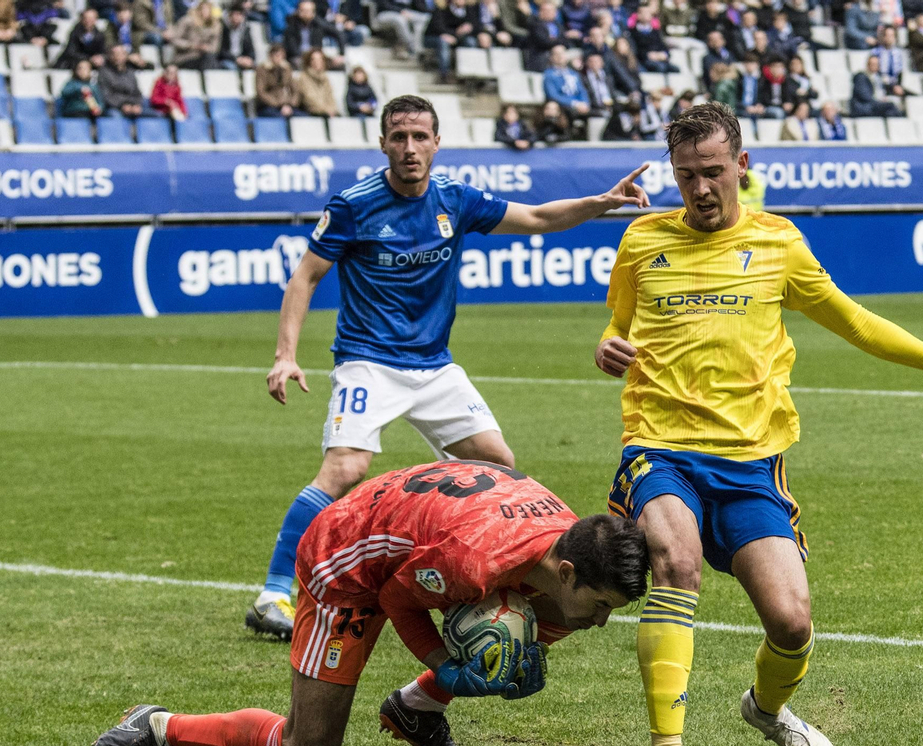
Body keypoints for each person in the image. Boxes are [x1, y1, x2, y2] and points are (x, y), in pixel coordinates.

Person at [595, 103, 923, 746]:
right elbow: (618, 325)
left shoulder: (780, 245)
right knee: (677, 562)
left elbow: (854, 319)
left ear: (742, 167)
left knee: (791, 622)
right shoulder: (641, 242)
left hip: (751, 459)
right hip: (660, 447)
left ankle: (764, 710)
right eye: (686, 176)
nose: (700, 190)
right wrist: (607, 346)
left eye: (713, 173)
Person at [245, 96, 651, 639]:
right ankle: (273, 592)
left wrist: (602, 202)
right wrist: (284, 356)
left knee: (497, 465)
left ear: (437, 142)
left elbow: (533, 217)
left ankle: (478, 576)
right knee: (345, 469)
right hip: (368, 362)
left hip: (434, 367)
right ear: (383, 143)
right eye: (398, 138)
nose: (409, 148)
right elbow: (305, 277)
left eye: (419, 137)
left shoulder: (454, 201)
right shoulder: (354, 205)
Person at [91, 461, 650, 746]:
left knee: (534, 628)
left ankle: (414, 710)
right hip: (348, 560)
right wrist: (448, 668)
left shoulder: (571, 541)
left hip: (424, 533)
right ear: (569, 569)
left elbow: (551, 603)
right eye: (602, 604)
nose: (603, 622)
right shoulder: (472, 563)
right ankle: (159, 726)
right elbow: (395, 599)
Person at [282, 0, 344, 70]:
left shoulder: (319, 24)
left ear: (313, 12)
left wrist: (341, 54)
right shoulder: (292, 24)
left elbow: (339, 34)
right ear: (298, 11)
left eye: (308, 11)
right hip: (297, 57)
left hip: (316, 56)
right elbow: (291, 46)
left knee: (339, 65)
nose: (305, 13)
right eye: (303, 10)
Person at [167, 0, 222, 70]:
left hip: (203, 56)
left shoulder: (215, 26)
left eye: (207, 9)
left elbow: (215, 47)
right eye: (203, 9)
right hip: (185, 57)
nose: (204, 11)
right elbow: (174, 40)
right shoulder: (187, 21)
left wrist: (206, 48)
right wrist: (192, 45)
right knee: (209, 62)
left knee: (215, 62)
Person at [98, 44, 146, 116]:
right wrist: (122, 105)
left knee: (155, 115)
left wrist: (136, 105)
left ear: (126, 56)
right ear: (110, 56)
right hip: (114, 108)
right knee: (115, 116)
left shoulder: (130, 72)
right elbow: (106, 96)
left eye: (121, 54)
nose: (118, 57)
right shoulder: (104, 73)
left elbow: (137, 93)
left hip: (132, 106)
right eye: (115, 54)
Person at [851, 52, 902, 117]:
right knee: (891, 106)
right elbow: (865, 96)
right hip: (864, 107)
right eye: (872, 64)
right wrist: (879, 101)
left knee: (891, 113)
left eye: (876, 64)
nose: (874, 66)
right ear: (867, 64)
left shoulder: (878, 78)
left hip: (874, 106)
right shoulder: (861, 77)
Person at [256, 43, 298, 117]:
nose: (279, 58)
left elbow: (295, 90)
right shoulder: (262, 70)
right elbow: (261, 92)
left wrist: (290, 104)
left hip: (286, 104)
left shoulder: (286, 69)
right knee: (278, 116)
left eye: (282, 56)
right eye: (277, 55)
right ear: (270, 56)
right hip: (268, 106)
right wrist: (278, 104)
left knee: (301, 116)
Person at [295, 47, 338, 116]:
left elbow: (330, 97)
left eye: (320, 59)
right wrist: (325, 110)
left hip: (327, 113)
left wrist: (332, 109)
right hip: (312, 113)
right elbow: (309, 99)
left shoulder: (325, 78)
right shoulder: (303, 78)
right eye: (313, 59)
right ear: (309, 61)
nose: (317, 62)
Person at [218, 4, 257, 70]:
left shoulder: (246, 31)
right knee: (232, 68)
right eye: (234, 14)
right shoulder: (224, 30)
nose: (236, 17)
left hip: (242, 59)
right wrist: (236, 59)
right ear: (230, 16)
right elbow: (222, 51)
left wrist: (248, 59)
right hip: (228, 60)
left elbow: (251, 50)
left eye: (239, 14)